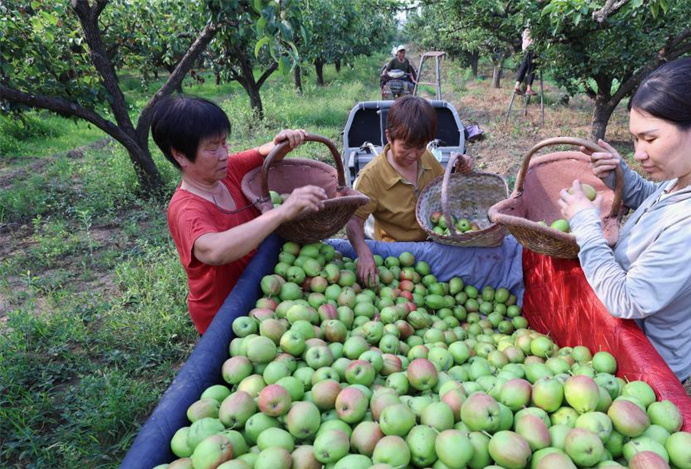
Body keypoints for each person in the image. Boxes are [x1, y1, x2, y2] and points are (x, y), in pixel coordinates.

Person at [558, 57, 691, 381]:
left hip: (644, 367)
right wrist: (621, 176)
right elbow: (660, 202)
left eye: (650, 139)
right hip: (624, 346)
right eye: (635, 140)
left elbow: (626, 300)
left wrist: (585, 224)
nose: (639, 153)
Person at [151, 95, 327, 334]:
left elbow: (264, 154)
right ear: (180, 155)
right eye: (212, 148)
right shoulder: (186, 209)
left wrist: (283, 143)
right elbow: (214, 251)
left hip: (261, 295)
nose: (223, 154)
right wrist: (280, 213)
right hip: (223, 315)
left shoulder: (229, 170)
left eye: (224, 143)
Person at [345, 96, 473, 286]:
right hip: (395, 255)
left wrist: (460, 172)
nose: (413, 154)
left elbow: (443, 190)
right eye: (406, 147)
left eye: (420, 146)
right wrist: (363, 252)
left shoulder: (426, 158)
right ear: (389, 137)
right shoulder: (371, 177)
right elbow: (353, 221)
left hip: (430, 245)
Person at [513, 29, 536, 96]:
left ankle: (517, 86)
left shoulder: (525, 30)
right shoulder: (534, 29)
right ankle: (529, 89)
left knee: (523, 68)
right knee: (531, 70)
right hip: (531, 50)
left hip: (525, 51)